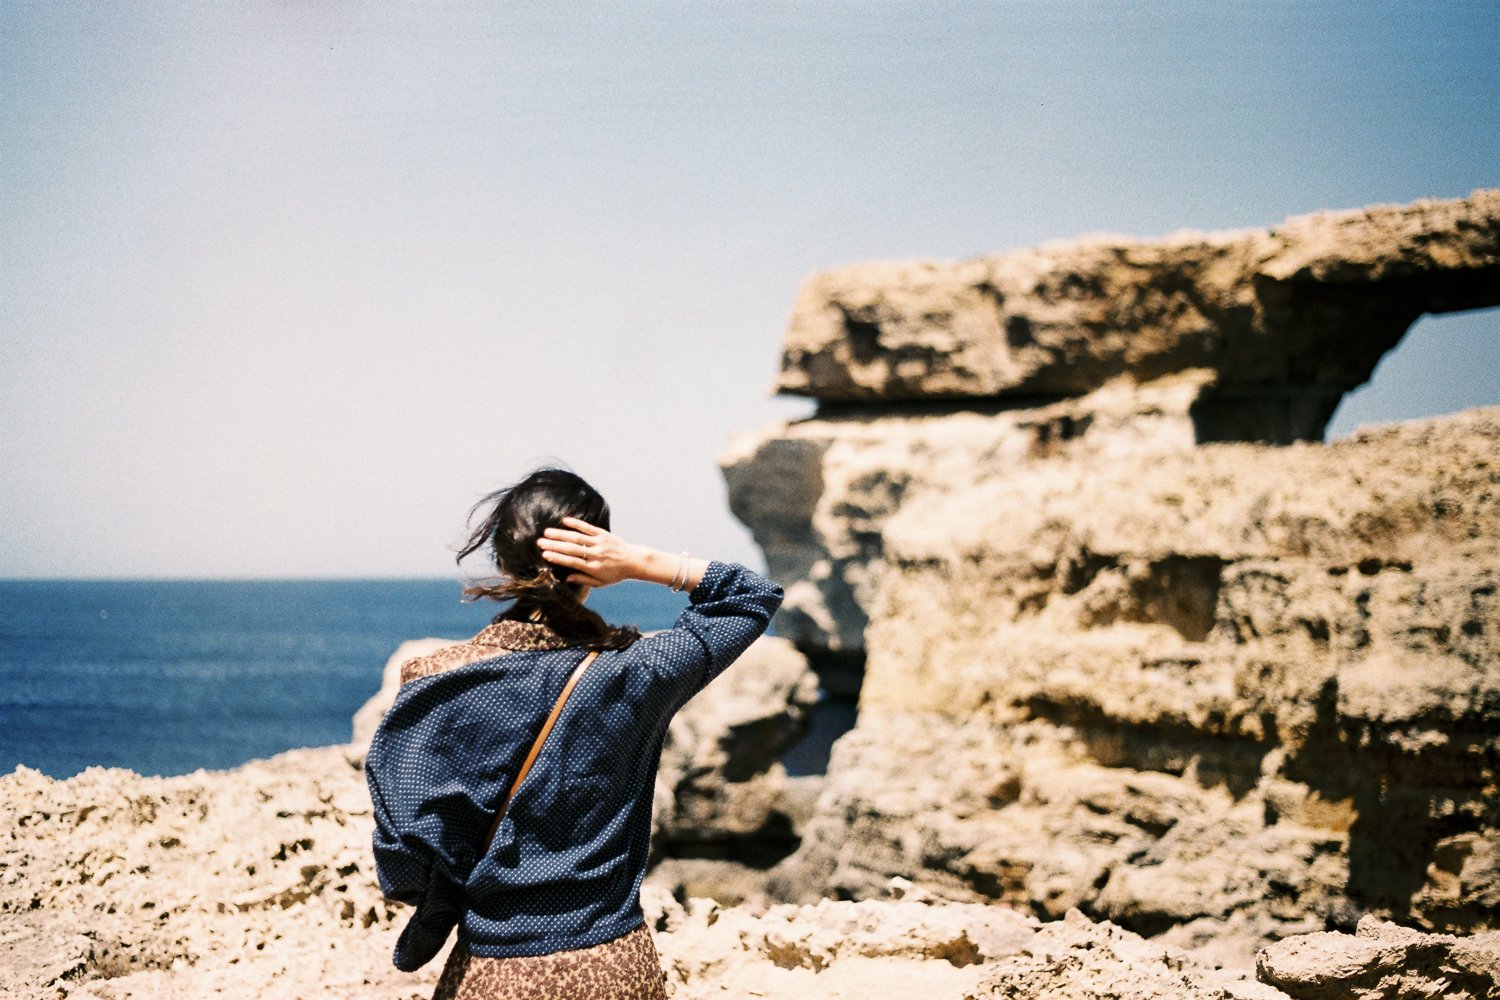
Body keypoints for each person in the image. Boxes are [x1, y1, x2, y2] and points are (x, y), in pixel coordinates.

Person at [366, 468, 783, 1000]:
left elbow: (403, 859)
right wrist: (639, 562)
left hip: (495, 974)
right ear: (595, 563)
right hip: (614, 969)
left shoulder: (435, 679)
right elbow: (751, 596)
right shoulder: (635, 674)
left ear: (501, 559)